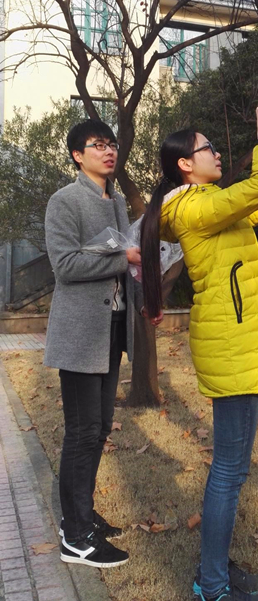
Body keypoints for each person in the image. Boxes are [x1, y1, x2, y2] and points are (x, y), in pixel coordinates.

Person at [140, 103, 258, 601]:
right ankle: (212, 585)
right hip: (231, 345)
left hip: (237, 339)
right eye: (209, 148)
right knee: (228, 471)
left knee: (233, 469)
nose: (217, 153)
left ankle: (215, 569)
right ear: (186, 163)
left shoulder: (210, 204)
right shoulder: (192, 209)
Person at [44, 120, 141, 569]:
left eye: (112, 143)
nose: (108, 150)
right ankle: (76, 538)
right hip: (81, 334)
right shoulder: (65, 201)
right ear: (77, 155)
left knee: (99, 428)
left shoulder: (117, 201)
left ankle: (81, 515)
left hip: (113, 329)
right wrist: (123, 258)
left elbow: (125, 260)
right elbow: (65, 265)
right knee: (82, 432)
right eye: (97, 144)